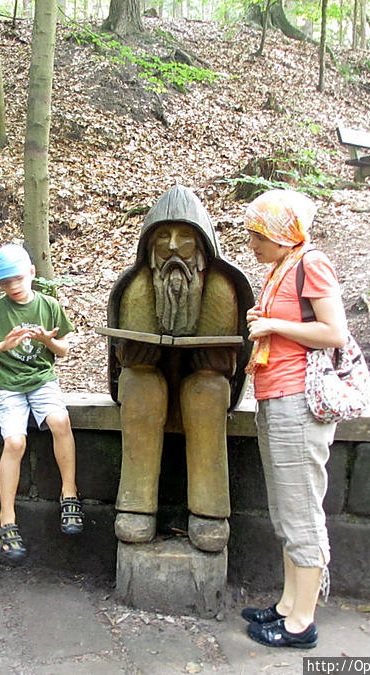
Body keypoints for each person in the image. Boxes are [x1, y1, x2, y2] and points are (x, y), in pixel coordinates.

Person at [104, 185, 254, 551]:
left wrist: (203, 358)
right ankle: (136, 505)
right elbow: (130, 356)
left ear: (202, 247)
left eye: (185, 238)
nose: (172, 247)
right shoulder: (138, 287)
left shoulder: (219, 287)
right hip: (151, 383)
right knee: (141, 386)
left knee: (206, 391)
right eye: (163, 237)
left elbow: (223, 361)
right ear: (149, 246)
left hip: (200, 385)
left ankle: (209, 510)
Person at [241, 189, 348, 649]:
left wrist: (273, 325)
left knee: (301, 511)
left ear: (284, 233)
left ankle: (301, 622)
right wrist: (263, 318)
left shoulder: (312, 263)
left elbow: (333, 332)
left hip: (299, 401)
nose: (252, 243)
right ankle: (287, 604)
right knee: (286, 511)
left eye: (259, 234)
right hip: (275, 396)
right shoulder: (281, 269)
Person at [0, 243, 82, 562]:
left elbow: (65, 351)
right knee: (15, 442)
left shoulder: (48, 305)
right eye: (5, 283)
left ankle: (69, 493)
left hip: (42, 380)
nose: (13, 287)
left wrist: (47, 340)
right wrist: (3, 345)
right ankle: (6, 517)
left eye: (17, 279)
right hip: (7, 385)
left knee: (60, 421)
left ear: (31, 273)